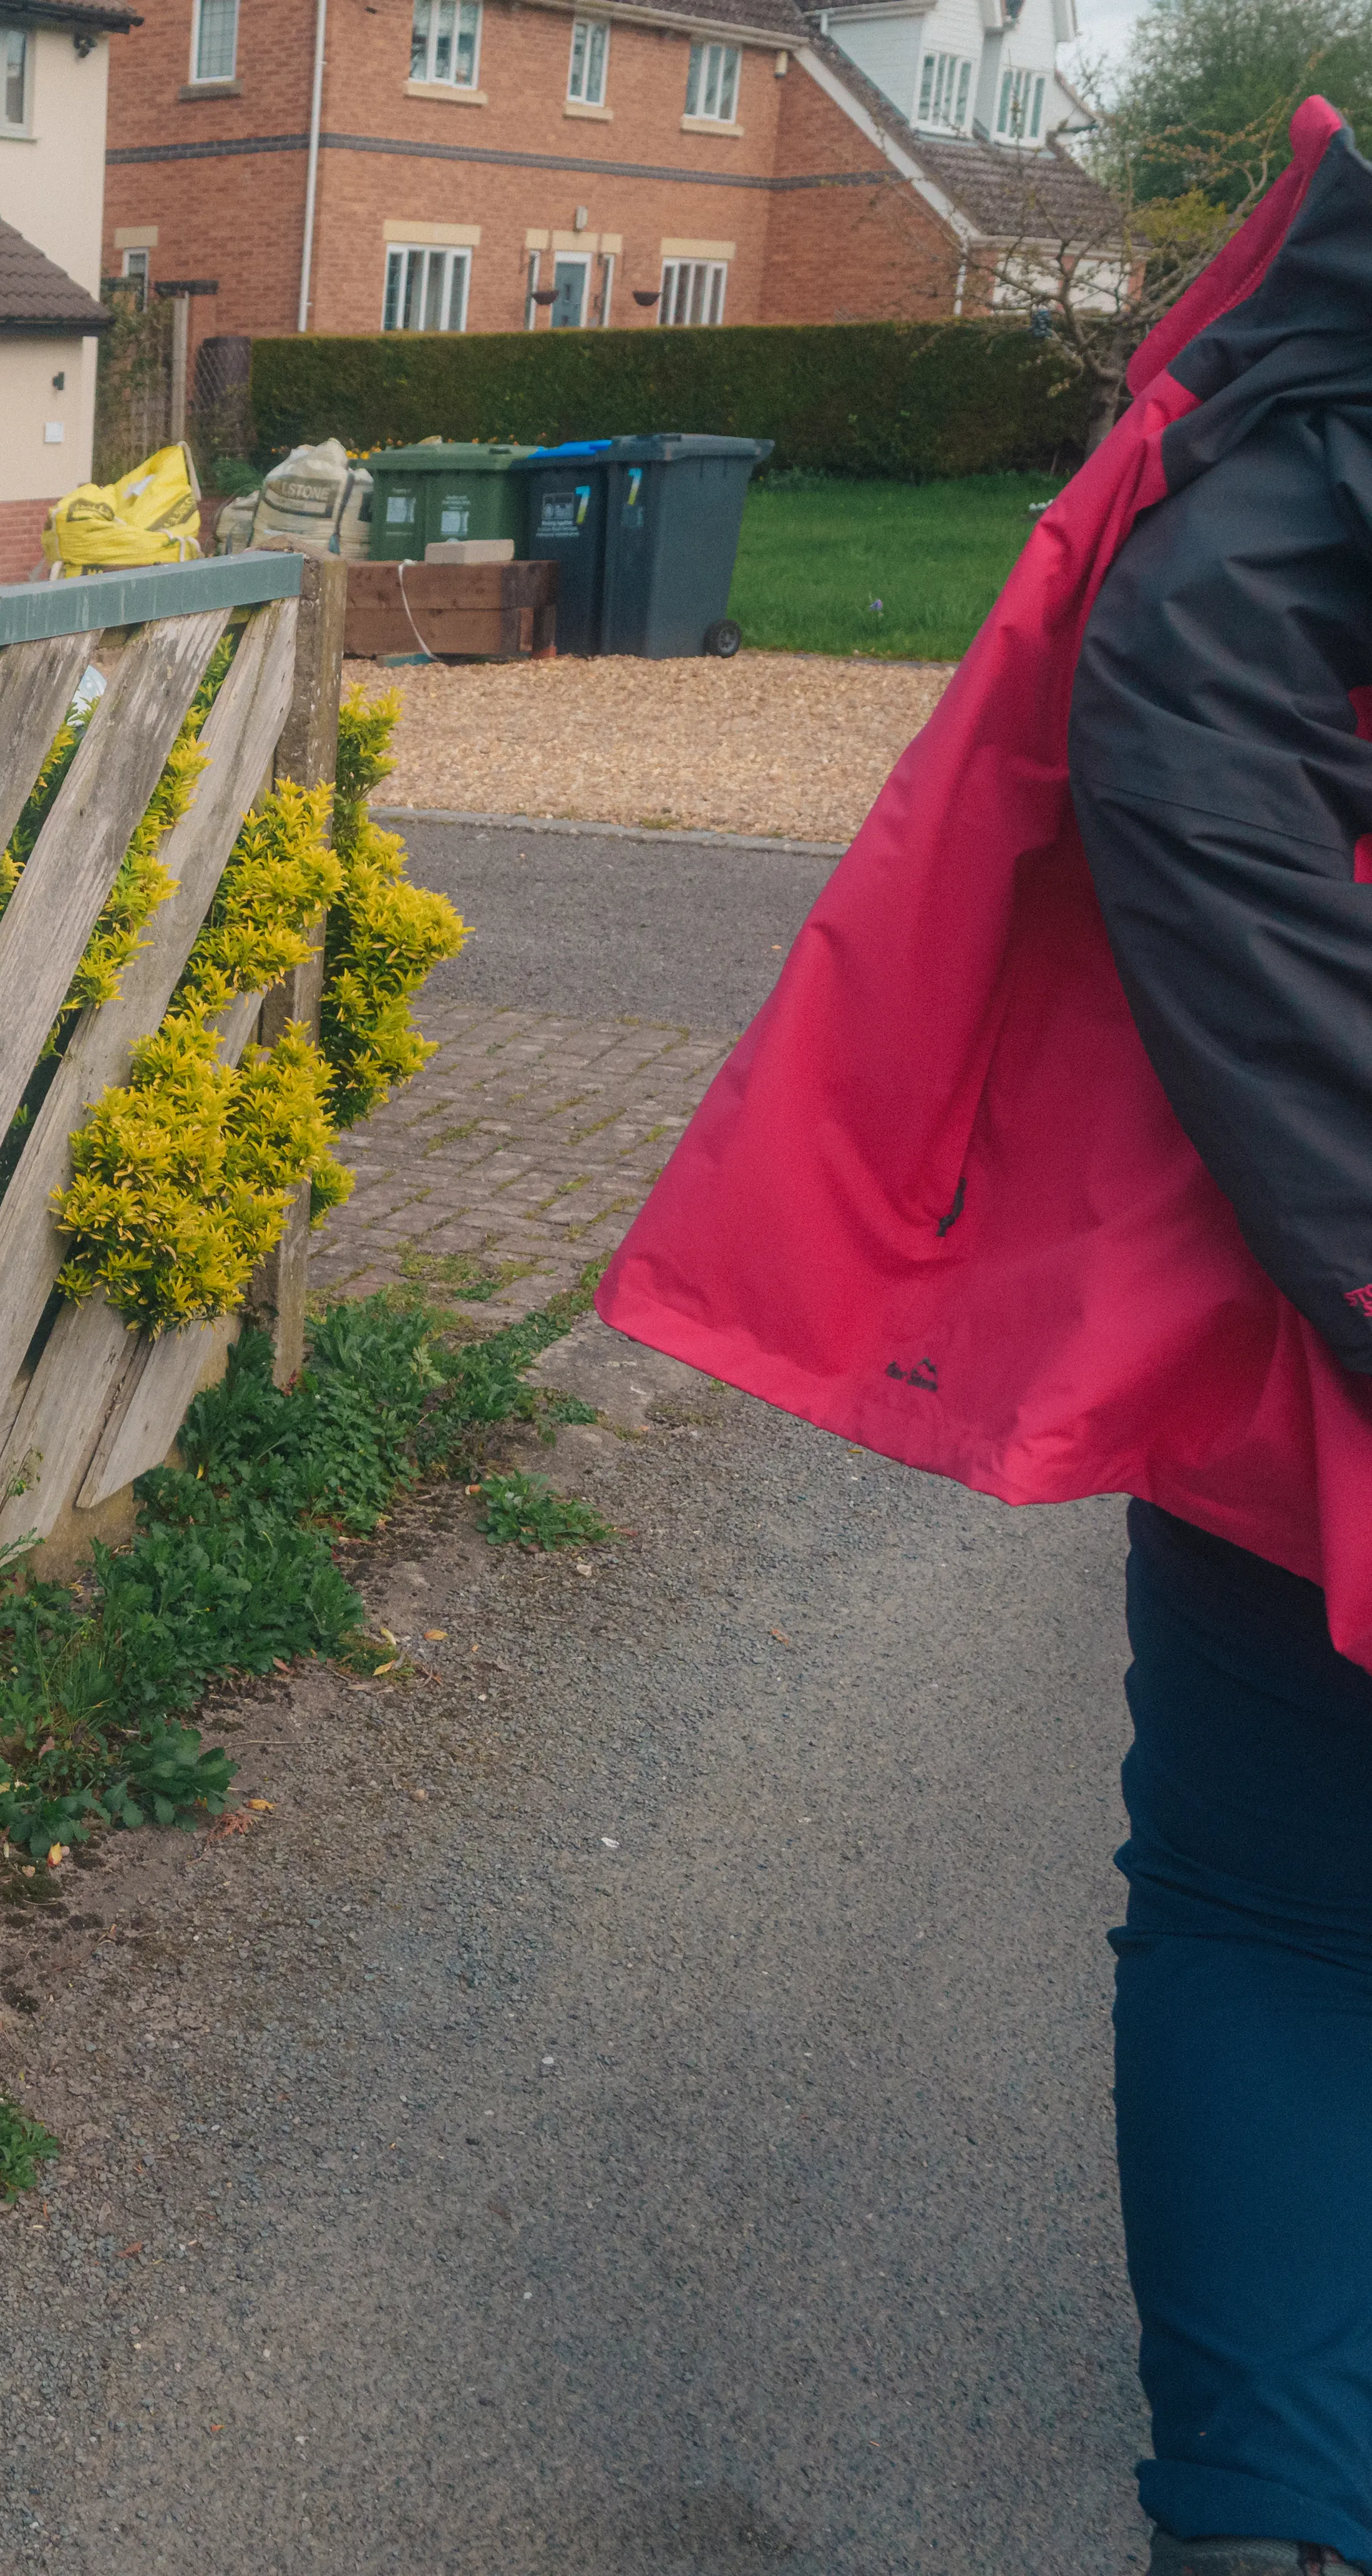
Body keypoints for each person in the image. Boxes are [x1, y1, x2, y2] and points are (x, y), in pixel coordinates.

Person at [598, 99, 1372, 2574]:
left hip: (1304, 1318)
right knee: (1262, 1895)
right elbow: (1193, 700)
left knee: (1263, 1906)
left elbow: (1186, 684)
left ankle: (1256, 2518)